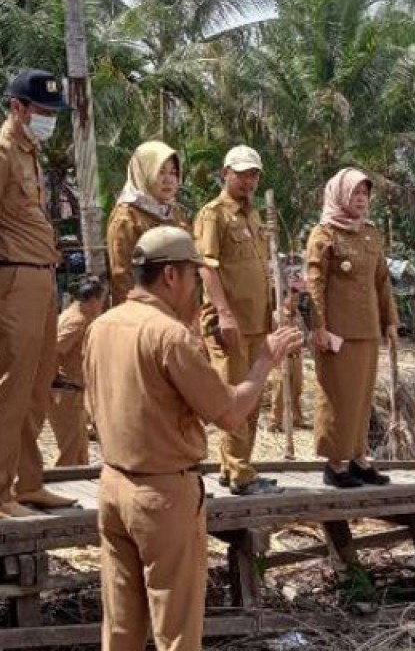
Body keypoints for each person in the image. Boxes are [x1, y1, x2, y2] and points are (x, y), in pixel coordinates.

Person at [85, 226, 302, 651]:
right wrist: (263, 363)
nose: (198, 289)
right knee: (177, 632)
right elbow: (228, 412)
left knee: (121, 627)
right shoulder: (169, 336)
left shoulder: (103, 326)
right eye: (194, 276)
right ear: (171, 277)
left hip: (113, 487)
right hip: (163, 495)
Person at [0, 69, 77, 519]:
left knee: (35, 387)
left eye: (52, 112)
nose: (49, 119)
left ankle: (27, 484)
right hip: (11, 280)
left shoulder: (29, 154)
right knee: (7, 390)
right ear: (17, 108)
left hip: (38, 279)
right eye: (42, 111)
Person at [305, 167, 399, 489]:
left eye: (364, 194)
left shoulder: (371, 234)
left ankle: (359, 459)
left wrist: (390, 322)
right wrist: (318, 327)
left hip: (368, 328)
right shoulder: (324, 233)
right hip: (337, 331)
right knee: (337, 396)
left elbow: (382, 282)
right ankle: (335, 463)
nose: (361, 200)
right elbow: (314, 283)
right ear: (340, 195)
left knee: (361, 397)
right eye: (355, 193)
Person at [193, 145, 278, 495]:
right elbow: (206, 267)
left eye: (254, 174)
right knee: (233, 395)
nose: (248, 181)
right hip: (228, 323)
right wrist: (224, 314)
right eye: (242, 174)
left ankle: (237, 467)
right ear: (225, 173)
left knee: (252, 396)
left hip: (256, 321)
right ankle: (240, 471)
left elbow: (262, 270)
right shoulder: (213, 214)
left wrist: (272, 309)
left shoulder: (252, 216)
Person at [105, 141, 189, 305]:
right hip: (146, 314)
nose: (168, 180)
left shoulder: (175, 213)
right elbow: (123, 277)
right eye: (160, 172)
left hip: (178, 310)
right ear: (143, 173)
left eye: (173, 173)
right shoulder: (127, 218)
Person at [48, 277, 105, 466]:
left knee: (80, 455)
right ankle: (59, 489)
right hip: (66, 391)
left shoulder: (72, 314)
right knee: (70, 454)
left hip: (72, 391)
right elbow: (54, 350)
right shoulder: (77, 321)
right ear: (94, 301)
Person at [268, 280, 308, 432]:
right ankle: (274, 423)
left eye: (297, 299)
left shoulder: (298, 316)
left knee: (297, 389)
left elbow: (304, 333)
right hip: (282, 359)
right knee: (279, 391)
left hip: (297, 359)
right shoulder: (276, 317)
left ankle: (298, 419)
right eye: (293, 299)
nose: (296, 302)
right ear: (284, 298)